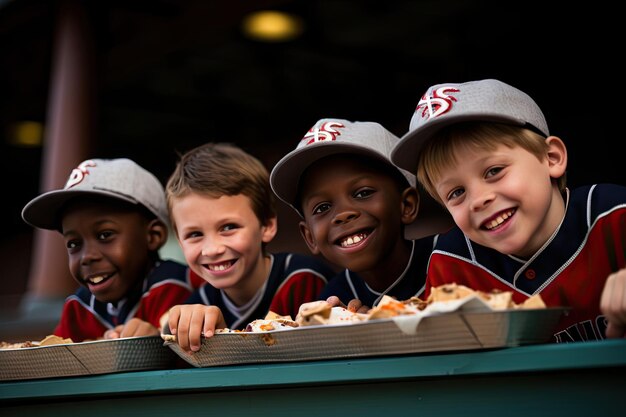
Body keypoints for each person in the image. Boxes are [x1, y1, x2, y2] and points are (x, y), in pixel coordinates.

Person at [391, 78, 626, 342]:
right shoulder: (453, 263)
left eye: (494, 171)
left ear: (551, 158)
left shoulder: (615, 214)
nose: (478, 200)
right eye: (456, 193)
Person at [165, 142, 336, 352]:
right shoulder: (199, 302)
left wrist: (223, 344)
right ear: (180, 243)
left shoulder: (304, 280)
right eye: (195, 234)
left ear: (267, 225)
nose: (212, 249)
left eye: (228, 227)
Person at [270, 118, 451, 311]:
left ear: (407, 205)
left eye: (363, 193)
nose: (343, 214)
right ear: (310, 237)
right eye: (322, 208)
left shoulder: (456, 256)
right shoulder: (335, 301)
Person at [21, 158, 198, 342]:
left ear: (153, 236)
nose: (87, 257)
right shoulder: (79, 306)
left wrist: (157, 341)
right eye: (74, 243)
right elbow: (56, 358)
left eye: (105, 235)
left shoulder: (177, 286)